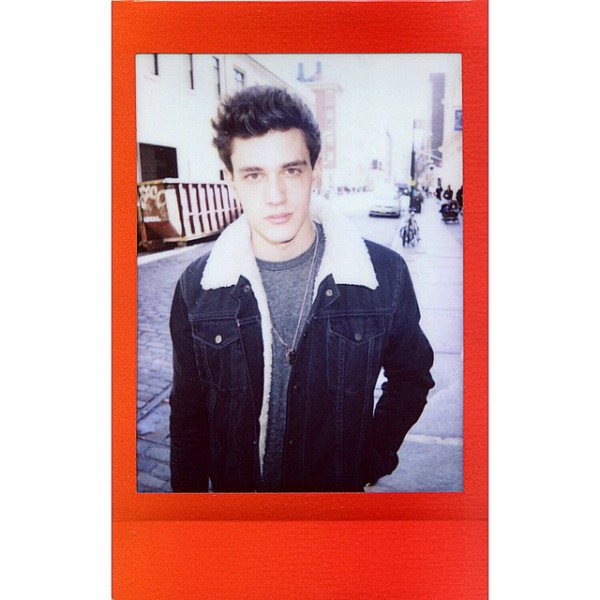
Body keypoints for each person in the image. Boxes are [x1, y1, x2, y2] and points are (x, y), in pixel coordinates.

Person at [169, 85, 434, 493]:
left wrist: (369, 457)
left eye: (291, 170)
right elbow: (188, 416)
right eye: (254, 175)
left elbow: (412, 377)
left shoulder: (382, 276)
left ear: (316, 170)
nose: (275, 196)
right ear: (231, 181)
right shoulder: (198, 288)